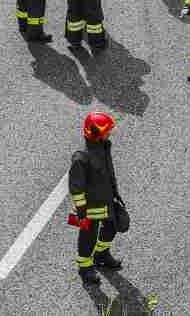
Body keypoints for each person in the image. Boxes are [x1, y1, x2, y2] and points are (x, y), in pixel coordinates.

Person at [69, 111, 124, 286]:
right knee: (87, 239)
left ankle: (101, 255)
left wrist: (115, 197)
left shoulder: (103, 148)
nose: (110, 134)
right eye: (107, 131)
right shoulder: (81, 158)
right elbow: (76, 189)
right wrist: (81, 211)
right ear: (96, 134)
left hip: (107, 201)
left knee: (113, 227)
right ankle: (85, 269)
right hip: (89, 210)